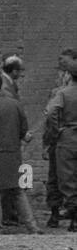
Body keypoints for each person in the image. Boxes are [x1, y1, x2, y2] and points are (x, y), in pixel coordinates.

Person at [0, 72, 41, 234]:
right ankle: (32, 226)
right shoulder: (15, 104)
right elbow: (23, 129)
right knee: (17, 190)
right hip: (13, 153)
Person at [43, 51, 77, 228]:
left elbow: (50, 114)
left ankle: (69, 215)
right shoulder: (61, 91)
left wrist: (55, 132)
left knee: (64, 178)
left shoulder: (62, 93)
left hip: (66, 137)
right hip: (66, 137)